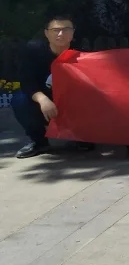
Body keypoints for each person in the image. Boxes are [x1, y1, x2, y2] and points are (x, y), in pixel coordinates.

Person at [13, 14, 91, 158]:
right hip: (46, 102)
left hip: (74, 102)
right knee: (20, 99)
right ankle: (39, 142)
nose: (61, 34)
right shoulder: (33, 52)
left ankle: (83, 137)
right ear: (46, 33)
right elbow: (27, 81)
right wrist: (42, 99)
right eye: (56, 30)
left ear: (73, 32)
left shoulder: (83, 52)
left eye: (66, 29)